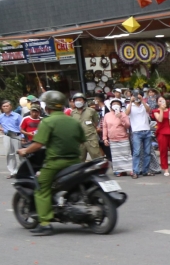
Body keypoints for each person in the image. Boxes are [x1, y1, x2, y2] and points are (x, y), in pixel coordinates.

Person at [16, 91, 83, 236]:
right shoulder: (72, 120)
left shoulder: (47, 122)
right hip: (75, 162)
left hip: (55, 163)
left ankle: (45, 223)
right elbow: (82, 140)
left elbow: (38, 144)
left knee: (40, 188)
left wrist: (25, 151)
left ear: (48, 108)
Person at [101, 101, 132, 176]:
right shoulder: (107, 115)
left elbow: (127, 125)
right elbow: (105, 127)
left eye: (117, 104)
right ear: (111, 106)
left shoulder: (123, 114)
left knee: (126, 155)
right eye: (114, 104)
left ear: (121, 106)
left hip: (123, 138)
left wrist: (120, 117)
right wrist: (105, 138)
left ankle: (130, 169)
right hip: (112, 139)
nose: (115, 106)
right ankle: (120, 171)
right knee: (116, 156)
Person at [126, 93, 154, 177]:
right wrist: (131, 102)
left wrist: (142, 100)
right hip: (136, 132)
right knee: (136, 152)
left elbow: (149, 110)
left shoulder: (144, 105)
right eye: (135, 96)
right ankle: (135, 171)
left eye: (138, 96)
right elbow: (126, 113)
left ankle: (145, 170)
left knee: (147, 152)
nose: (137, 98)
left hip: (147, 130)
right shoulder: (130, 105)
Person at [152, 96, 170, 175]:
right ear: (157, 103)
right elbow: (160, 120)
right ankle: (165, 169)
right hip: (162, 133)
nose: (162, 102)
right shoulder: (155, 111)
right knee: (163, 151)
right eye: (160, 101)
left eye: (163, 100)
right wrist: (161, 110)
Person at [70, 93, 104, 161]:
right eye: (76, 100)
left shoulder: (91, 111)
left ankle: (99, 171)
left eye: (80, 100)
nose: (78, 102)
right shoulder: (72, 113)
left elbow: (96, 122)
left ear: (84, 101)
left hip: (91, 138)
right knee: (79, 160)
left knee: (97, 157)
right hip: (79, 140)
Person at [1, 99, 21, 178]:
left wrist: (22, 137)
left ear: (11, 106)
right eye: (4, 106)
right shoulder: (1, 117)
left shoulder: (17, 115)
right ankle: (12, 172)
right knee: (9, 154)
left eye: (7, 106)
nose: (5, 107)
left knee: (18, 154)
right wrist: (2, 129)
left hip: (16, 135)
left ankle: (20, 171)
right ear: (2, 108)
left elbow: (22, 127)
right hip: (6, 136)